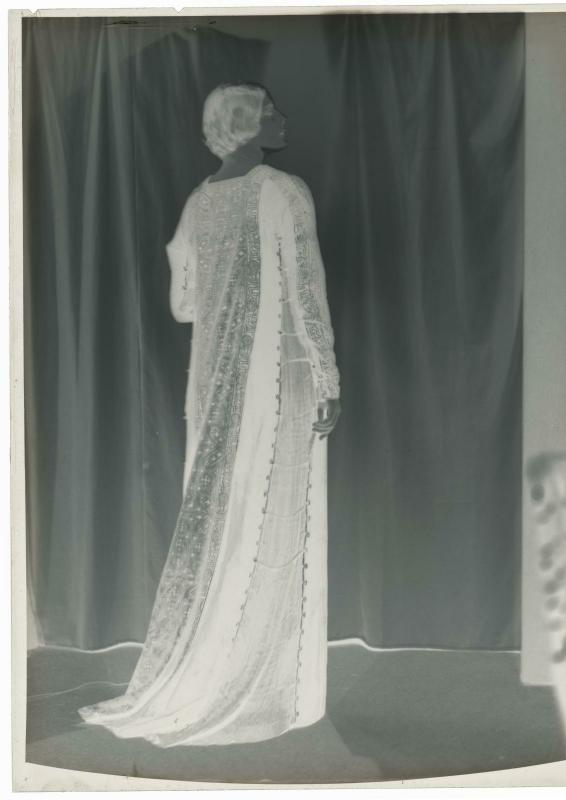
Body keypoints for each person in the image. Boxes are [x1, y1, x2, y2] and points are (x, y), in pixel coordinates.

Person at [78, 82, 341, 747]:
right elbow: (306, 290)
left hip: (213, 382)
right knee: (274, 512)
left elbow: (185, 305)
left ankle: (221, 665)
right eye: (271, 111)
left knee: (227, 512)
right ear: (247, 123)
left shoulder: (199, 202)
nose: (282, 117)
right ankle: (267, 681)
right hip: (277, 374)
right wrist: (327, 375)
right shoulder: (282, 190)